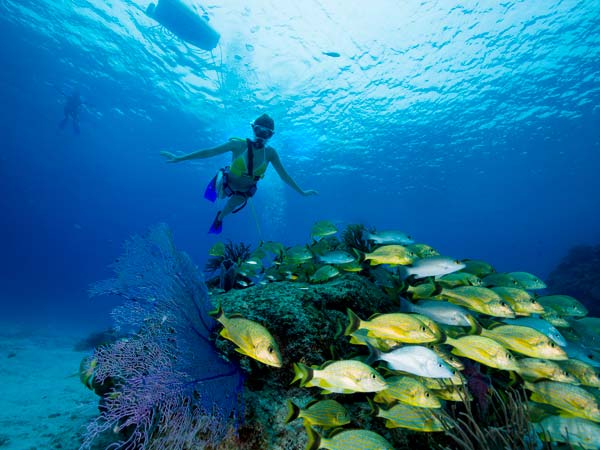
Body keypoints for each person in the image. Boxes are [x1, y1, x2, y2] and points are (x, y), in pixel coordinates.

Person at [160, 114, 318, 234]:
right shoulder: (238, 145)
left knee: (228, 209)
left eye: (267, 133)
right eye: (259, 130)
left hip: (244, 191)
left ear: (271, 135)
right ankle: (217, 183)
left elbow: (284, 176)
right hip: (226, 182)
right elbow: (209, 152)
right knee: (218, 195)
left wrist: (302, 192)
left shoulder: (270, 153)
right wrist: (179, 158)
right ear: (253, 128)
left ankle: (220, 217)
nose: (262, 135)